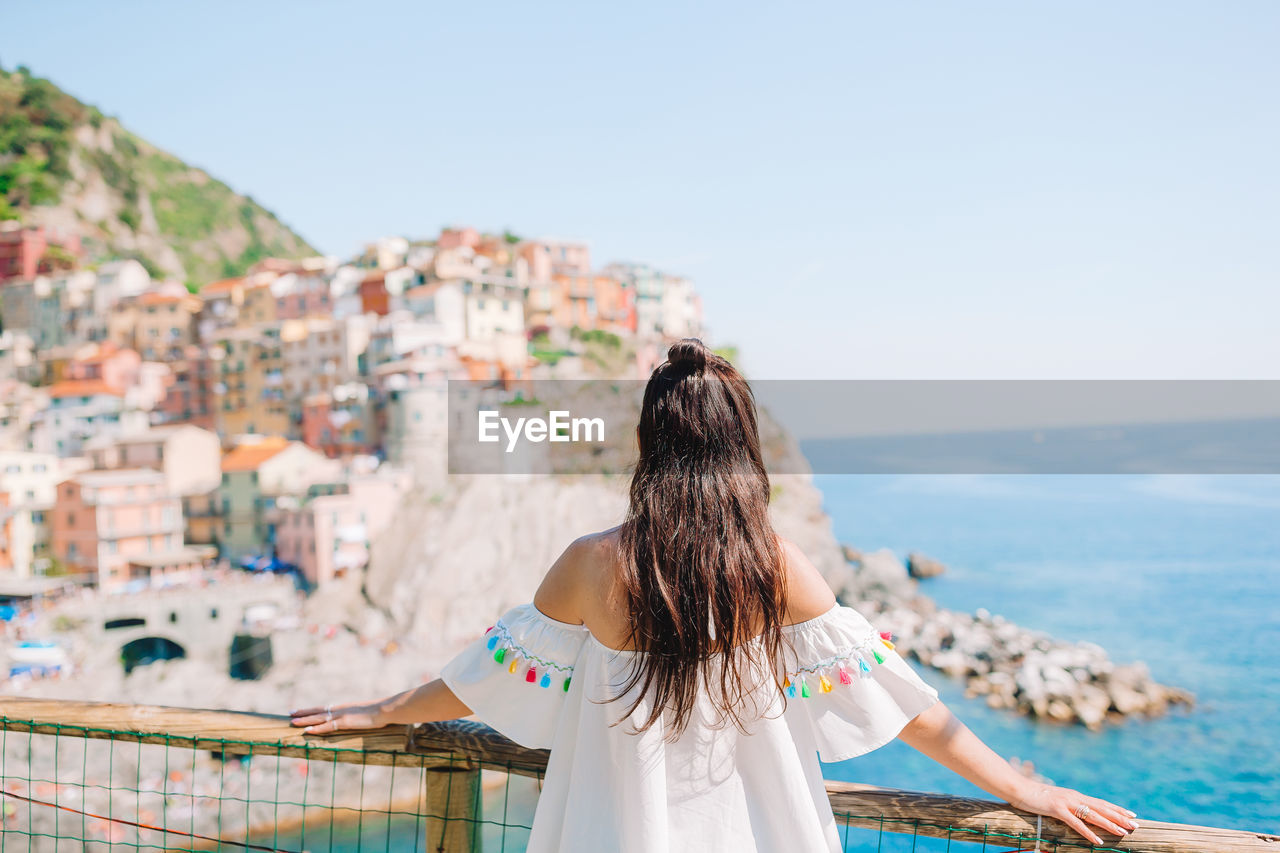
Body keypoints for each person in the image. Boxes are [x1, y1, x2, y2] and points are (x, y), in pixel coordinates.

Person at [292, 338, 1140, 852]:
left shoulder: (593, 563)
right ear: (742, 445)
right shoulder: (770, 565)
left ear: (647, 443)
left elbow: (490, 677)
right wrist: (1022, 787)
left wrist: (385, 708)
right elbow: (900, 701)